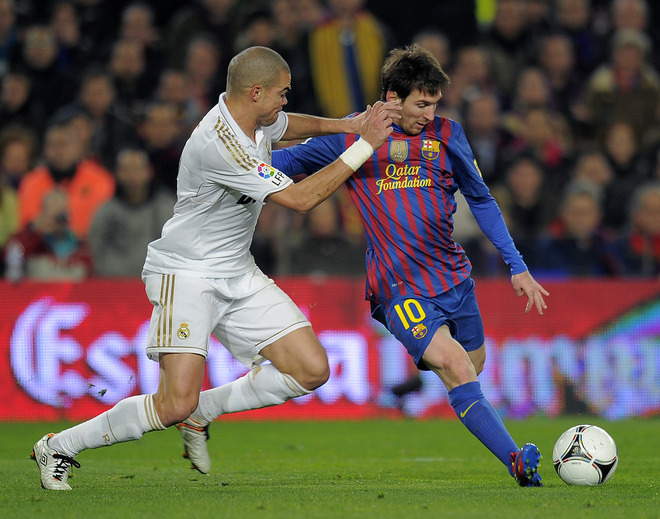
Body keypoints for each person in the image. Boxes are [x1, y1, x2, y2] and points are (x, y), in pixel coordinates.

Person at [31, 45, 398, 490]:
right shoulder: (221, 145)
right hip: (186, 275)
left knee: (311, 369)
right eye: (282, 93)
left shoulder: (252, 117)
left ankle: (205, 411)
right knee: (172, 405)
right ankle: (59, 446)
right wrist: (365, 144)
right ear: (256, 91)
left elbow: (288, 125)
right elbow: (302, 200)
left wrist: (347, 123)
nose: (286, 100)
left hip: (237, 272)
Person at [273, 45, 549, 487]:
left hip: (454, 278)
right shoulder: (353, 139)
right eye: (422, 104)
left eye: (435, 103)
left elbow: (480, 198)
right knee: (458, 367)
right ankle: (517, 461)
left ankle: (419, 379)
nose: (429, 113)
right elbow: (276, 163)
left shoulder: (447, 134)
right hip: (397, 287)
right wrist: (233, 150)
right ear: (393, 97)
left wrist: (517, 266)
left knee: (470, 366)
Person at [88, 148, 176, 277]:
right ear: (117, 173)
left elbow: (176, 246)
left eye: (137, 169)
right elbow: (94, 247)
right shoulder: (105, 211)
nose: (132, 176)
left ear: (149, 172)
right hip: (112, 283)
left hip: (156, 282)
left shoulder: (166, 207)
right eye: (126, 170)